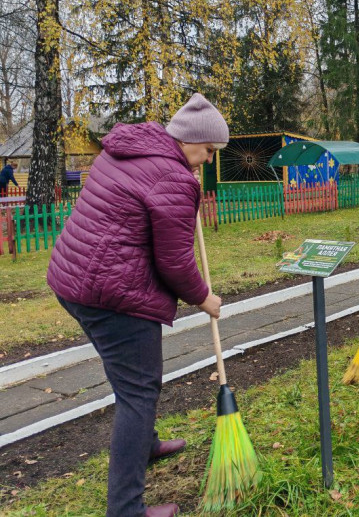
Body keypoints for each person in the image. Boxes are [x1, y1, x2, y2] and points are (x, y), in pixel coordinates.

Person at [47, 93, 229, 517]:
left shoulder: (133, 146)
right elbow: (175, 262)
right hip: (113, 294)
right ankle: (126, 509)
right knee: (138, 392)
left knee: (131, 380)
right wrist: (205, 298)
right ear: (188, 140)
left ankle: (144, 444)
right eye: (208, 151)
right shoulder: (174, 177)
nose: (208, 160)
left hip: (73, 279)